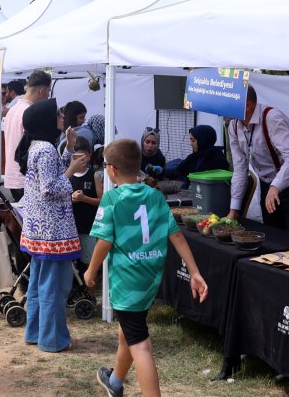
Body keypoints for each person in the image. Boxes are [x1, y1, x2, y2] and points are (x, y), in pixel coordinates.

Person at [85, 138, 208, 397]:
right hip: (149, 278)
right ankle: (115, 382)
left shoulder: (112, 198)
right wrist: (194, 272)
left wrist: (90, 270)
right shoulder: (155, 195)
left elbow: (104, 242)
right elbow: (177, 236)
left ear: (112, 170)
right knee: (128, 331)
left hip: (127, 280)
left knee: (141, 345)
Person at [16, 98, 83, 353]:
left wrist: (68, 148)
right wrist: (72, 170)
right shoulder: (44, 149)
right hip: (52, 231)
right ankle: (52, 339)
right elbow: (50, 188)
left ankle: (36, 333)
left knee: (38, 284)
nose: (60, 117)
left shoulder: (39, 146)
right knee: (54, 287)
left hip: (40, 229)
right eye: (57, 114)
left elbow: (49, 176)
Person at [227, 85, 289, 235]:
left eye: (230, 103)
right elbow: (240, 168)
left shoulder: (272, 118)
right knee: (272, 234)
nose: (224, 107)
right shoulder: (234, 126)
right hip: (268, 182)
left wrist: (275, 187)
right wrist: (234, 209)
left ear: (247, 105)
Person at [2, 69, 52, 203]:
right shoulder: (30, 112)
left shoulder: (12, 110)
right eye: (48, 91)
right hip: (25, 178)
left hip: (13, 176)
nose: (48, 96)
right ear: (42, 90)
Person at [67, 135, 103, 270]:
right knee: (71, 261)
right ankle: (76, 287)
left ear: (89, 155)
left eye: (84, 156)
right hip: (70, 227)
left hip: (88, 227)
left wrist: (84, 199)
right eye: (77, 157)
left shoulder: (94, 175)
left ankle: (89, 286)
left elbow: (101, 201)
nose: (81, 160)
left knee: (88, 260)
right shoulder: (67, 176)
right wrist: (71, 199)